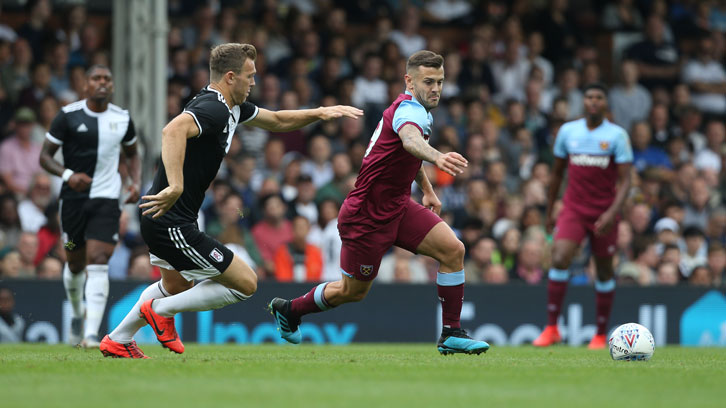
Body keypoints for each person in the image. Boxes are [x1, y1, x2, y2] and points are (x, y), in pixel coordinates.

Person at [100, 43, 362, 358]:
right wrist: (176, 185)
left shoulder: (233, 107)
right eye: (249, 76)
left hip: (166, 219)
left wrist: (318, 113)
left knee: (175, 285)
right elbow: (172, 131)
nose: (254, 82)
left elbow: (278, 121)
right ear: (230, 76)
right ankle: (162, 312)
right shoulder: (215, 107)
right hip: (171, 221)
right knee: (245, 283)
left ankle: (118, 338)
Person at [268, 50, 490, 355]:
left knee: (453, 250)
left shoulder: (422, 111)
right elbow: (411, 141)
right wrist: (438, 156)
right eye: (428, 81)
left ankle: (451, 332)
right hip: (366, 216)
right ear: (409, 81)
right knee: (352, 292)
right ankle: (290, 310)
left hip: (398, 206)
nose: (436, 88)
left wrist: (426, 189)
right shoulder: (408, 111)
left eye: (440, 81)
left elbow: (408, 153)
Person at [38, 65, 141, 348]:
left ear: (112, 85)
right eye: (96, 78)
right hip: (72, 202)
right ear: (86, 85)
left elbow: (133, 154)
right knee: (74, 261)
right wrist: (69, 175)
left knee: (99, 259)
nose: (102, 83)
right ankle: (76, 312)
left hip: (106, 201)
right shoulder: (68, 116)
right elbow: (44, 156)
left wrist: (135, 182)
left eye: (107, 78)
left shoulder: (122, 118)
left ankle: (91, 335)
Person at [533, 83, 633, 349]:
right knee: (559, 256)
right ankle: (552, 327)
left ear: (605, 104)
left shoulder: (617, 136)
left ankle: (600, 334)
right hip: (574, 209)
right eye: (589, 97)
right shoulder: (568, 132)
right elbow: (556, 174)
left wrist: (613, 212)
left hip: (604, 211)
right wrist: (549, 209)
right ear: (584, 102)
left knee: (603, 270)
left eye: (599, 97)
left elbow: (625, 181)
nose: (593, 102)